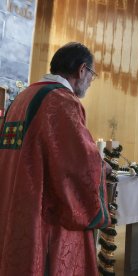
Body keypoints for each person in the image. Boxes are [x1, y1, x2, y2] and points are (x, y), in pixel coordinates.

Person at [0, 42, 111, 275]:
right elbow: (78, 164)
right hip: (44, 215)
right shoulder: (62, 101)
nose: (91, 81)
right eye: (92, 74)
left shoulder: (21, 98)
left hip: (12, 203)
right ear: (82, 70)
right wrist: (101, 168)